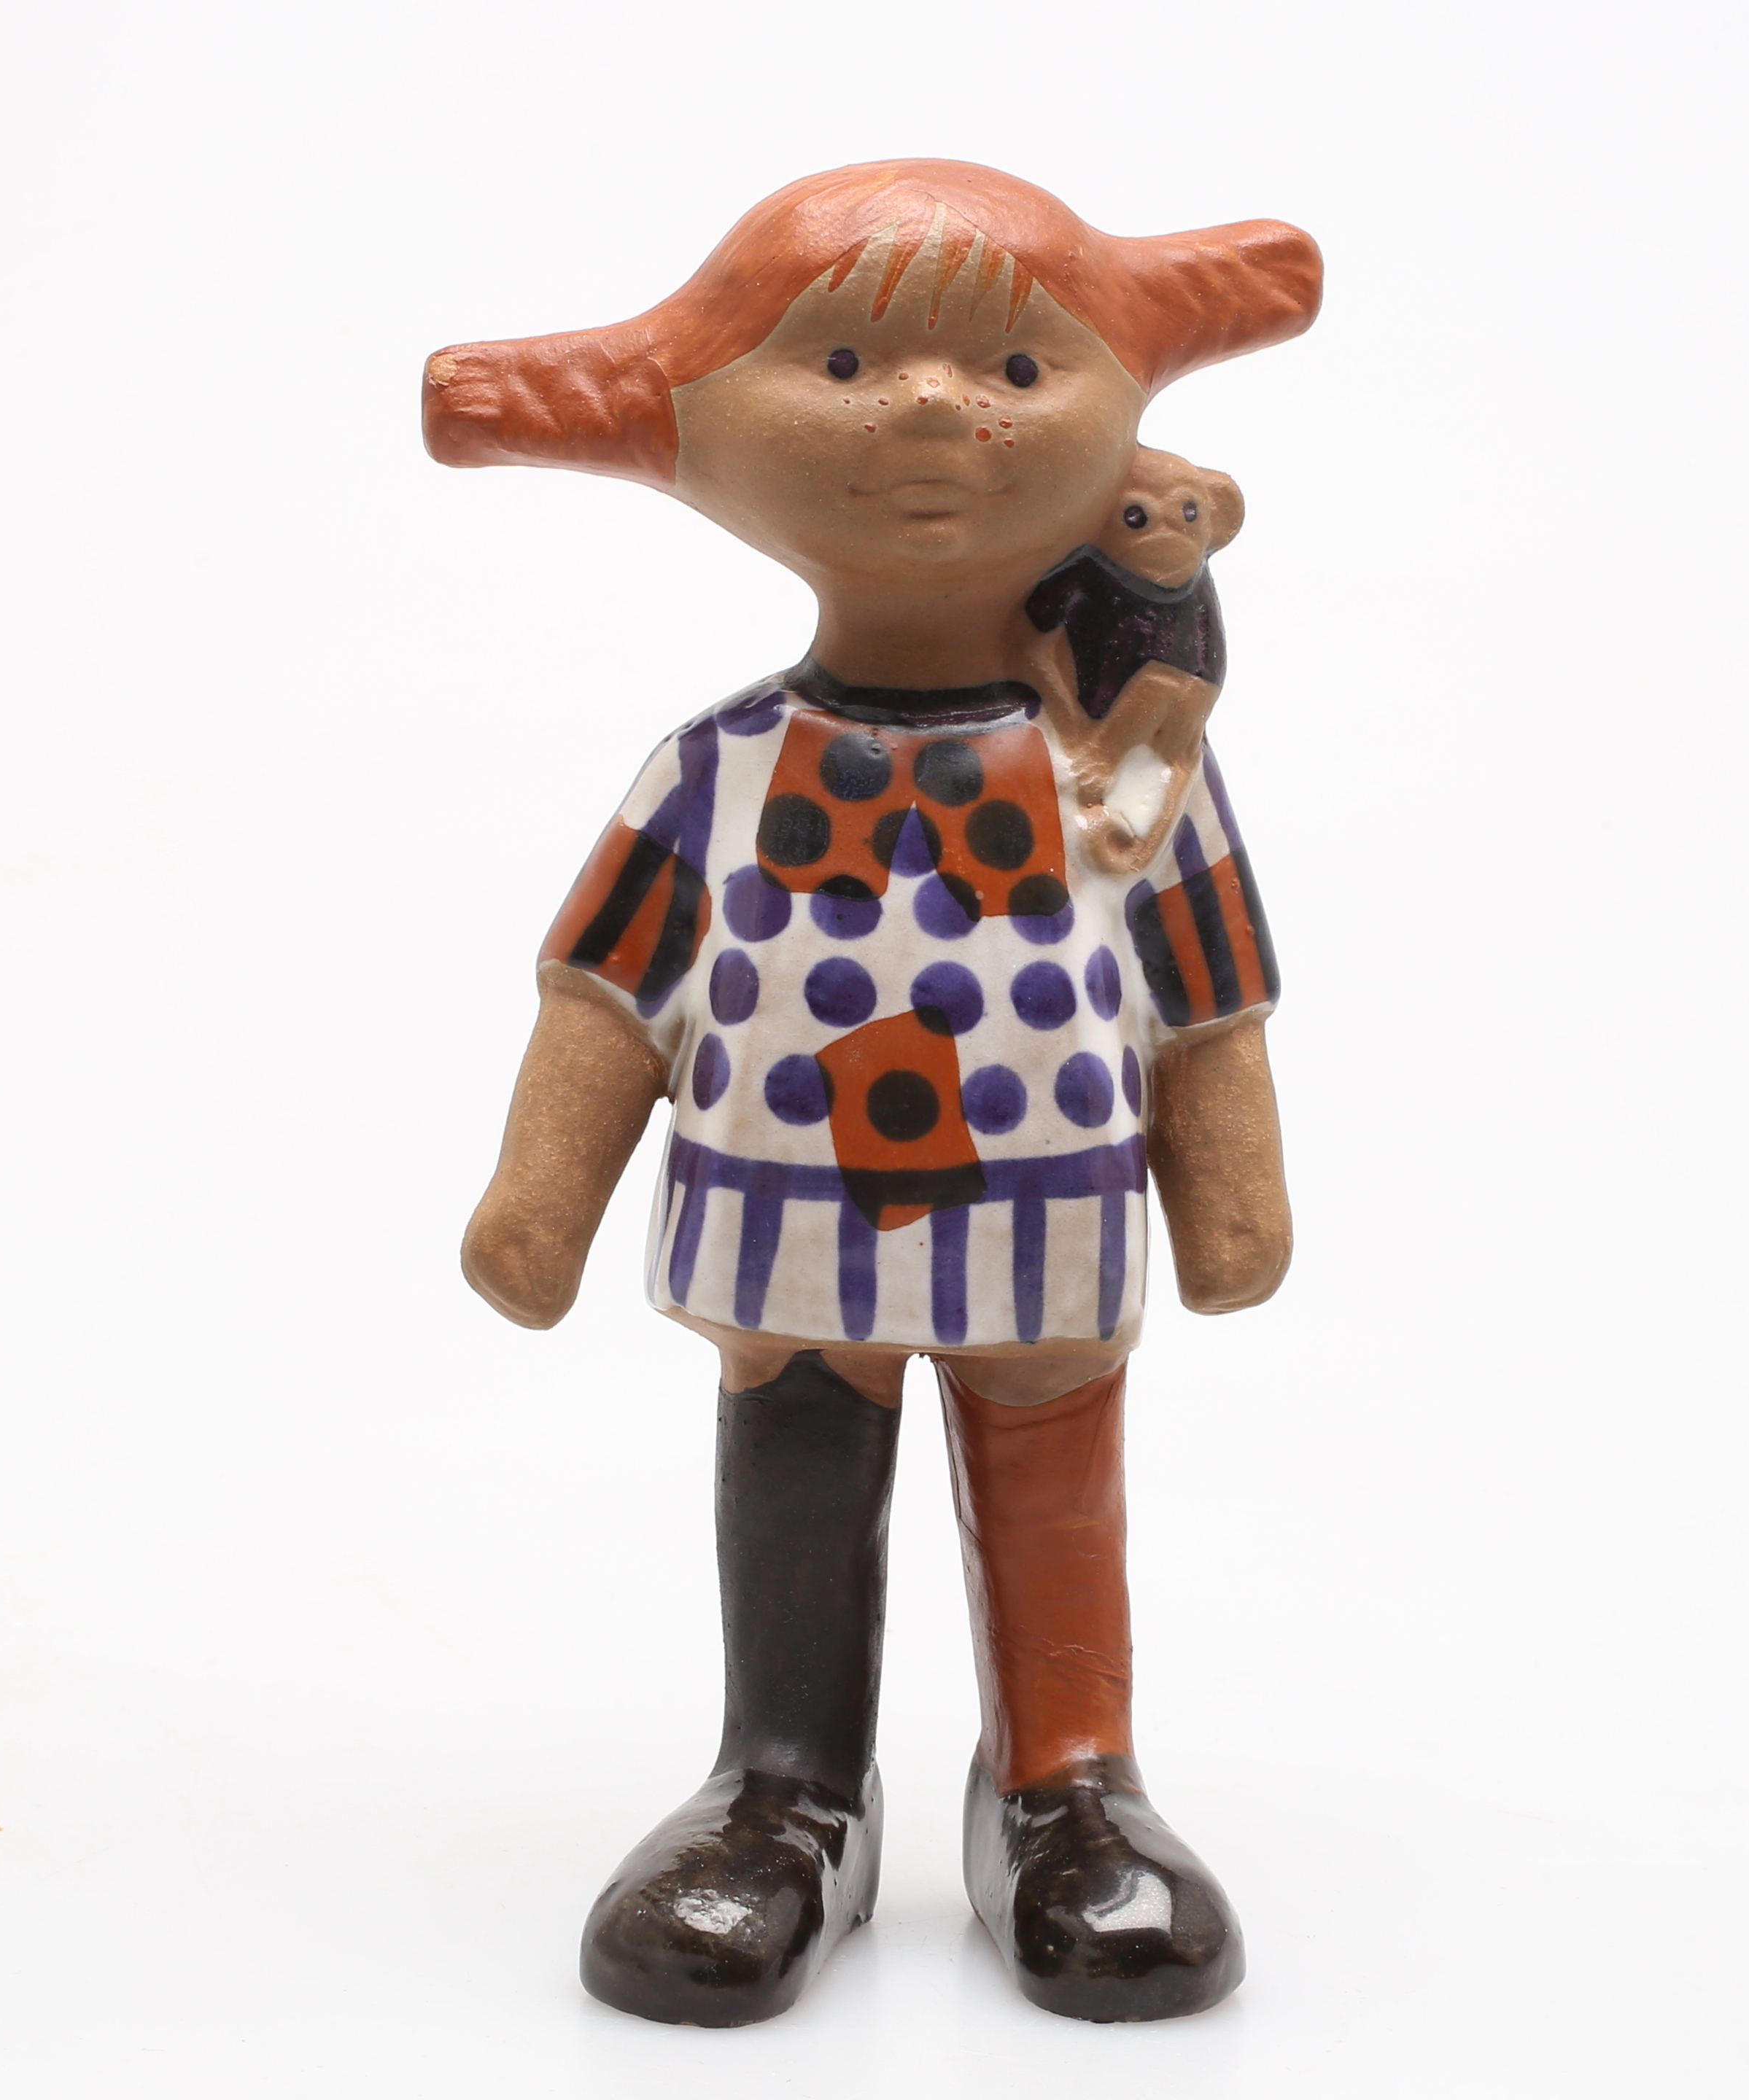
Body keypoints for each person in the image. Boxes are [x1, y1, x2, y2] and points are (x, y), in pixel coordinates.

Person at [424, 158, 1320, 2026]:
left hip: (1044, 1207)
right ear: (690, 435)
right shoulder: (721, 768)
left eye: (1015, 370)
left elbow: (1209, 994)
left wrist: (1234, 1196)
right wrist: (539, 1198)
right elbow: (608, 987)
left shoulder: (1126, 777)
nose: (928, 411)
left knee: (1053, 1466)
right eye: (838, 365)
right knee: (797, 1473)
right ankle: (787, 1788)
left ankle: (1068, 1783)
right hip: (793, 1222)